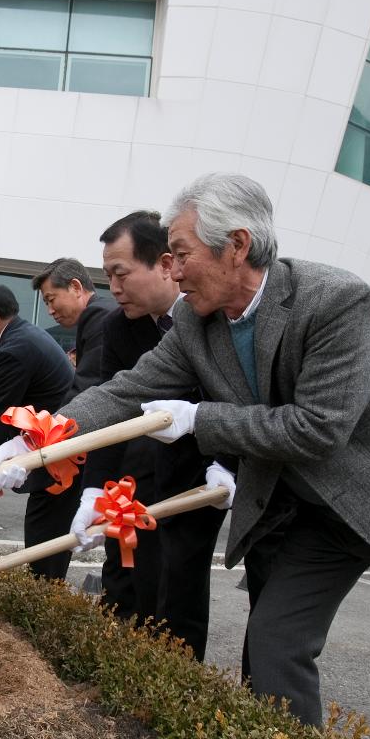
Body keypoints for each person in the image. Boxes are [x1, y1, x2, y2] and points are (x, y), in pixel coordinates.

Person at [19, 173, 370, 739]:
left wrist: (201, 420)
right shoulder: (196, 320)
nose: (171, 268)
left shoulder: (335, 301)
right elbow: (131, 389)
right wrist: (43, 440)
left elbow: (318, 428)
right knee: (275, 641)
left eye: (181, 251)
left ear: (237, 245)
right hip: (326, 518)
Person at [79, 210, 229, 661]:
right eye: (107, 276)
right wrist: (93, 491)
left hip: (208, 475)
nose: (114, 288)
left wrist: (227, 464)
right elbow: (111, 410)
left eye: (120, 273)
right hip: (141, 475)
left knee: (178, 587)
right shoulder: (119, 328)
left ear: (165, 264)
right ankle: (128, 675)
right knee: (130, 579)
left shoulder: (212, 318)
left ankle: (178, 687)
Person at [0, 284, 78, 581]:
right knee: (46, 530)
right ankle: (45, 593)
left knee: (44, 535)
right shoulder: (25, 334)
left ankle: (43, 603)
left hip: (62, 454)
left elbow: (1, 412)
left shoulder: (13, 349)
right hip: (55, 447)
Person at [31, 257, 117, 400]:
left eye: (51, 300)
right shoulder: (101, 312)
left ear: (76, 287)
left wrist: (57, 420)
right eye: (46, 304)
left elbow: (88, 387)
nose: (50, 311)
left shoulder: (98, 315)